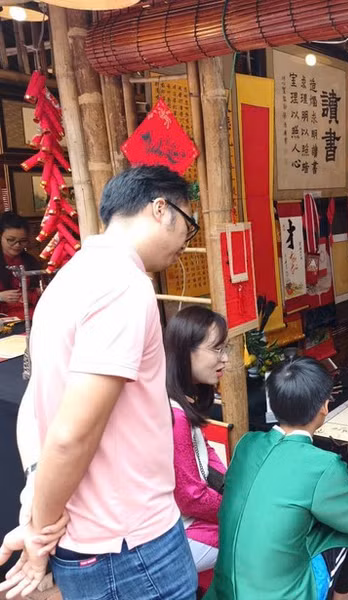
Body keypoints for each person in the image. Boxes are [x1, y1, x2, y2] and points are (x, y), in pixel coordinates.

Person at [0, 166, 200, 599]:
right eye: (189, 222)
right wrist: (37, 536)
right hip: (130, 547)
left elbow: (35, 408)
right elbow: (72, 434)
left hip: (98, 543)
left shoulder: (69, 279)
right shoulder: (124, 285)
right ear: (160, 208)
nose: (188, 241)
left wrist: (37, 508)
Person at [207, 357, 348, 600]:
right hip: (283, 594)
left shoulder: (247, 445)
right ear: (324, 407)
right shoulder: (322, 465)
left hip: (225, 591)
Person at [166, 306, 230, 573]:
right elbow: (191, 498)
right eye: (216, 350)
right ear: (185, 350)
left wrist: (232, 486)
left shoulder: (181, 399)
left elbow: (207, 456)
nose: (224, 359)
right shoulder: (176, 416)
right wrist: (238, 508)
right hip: (180, 529)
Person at [0, 212, 41, 321]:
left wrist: (30, 295)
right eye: (11, 240)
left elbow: (40, 288)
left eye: (22, 241)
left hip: (30, 315)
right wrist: (1, 297)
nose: (17, 245)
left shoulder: (30, 261)